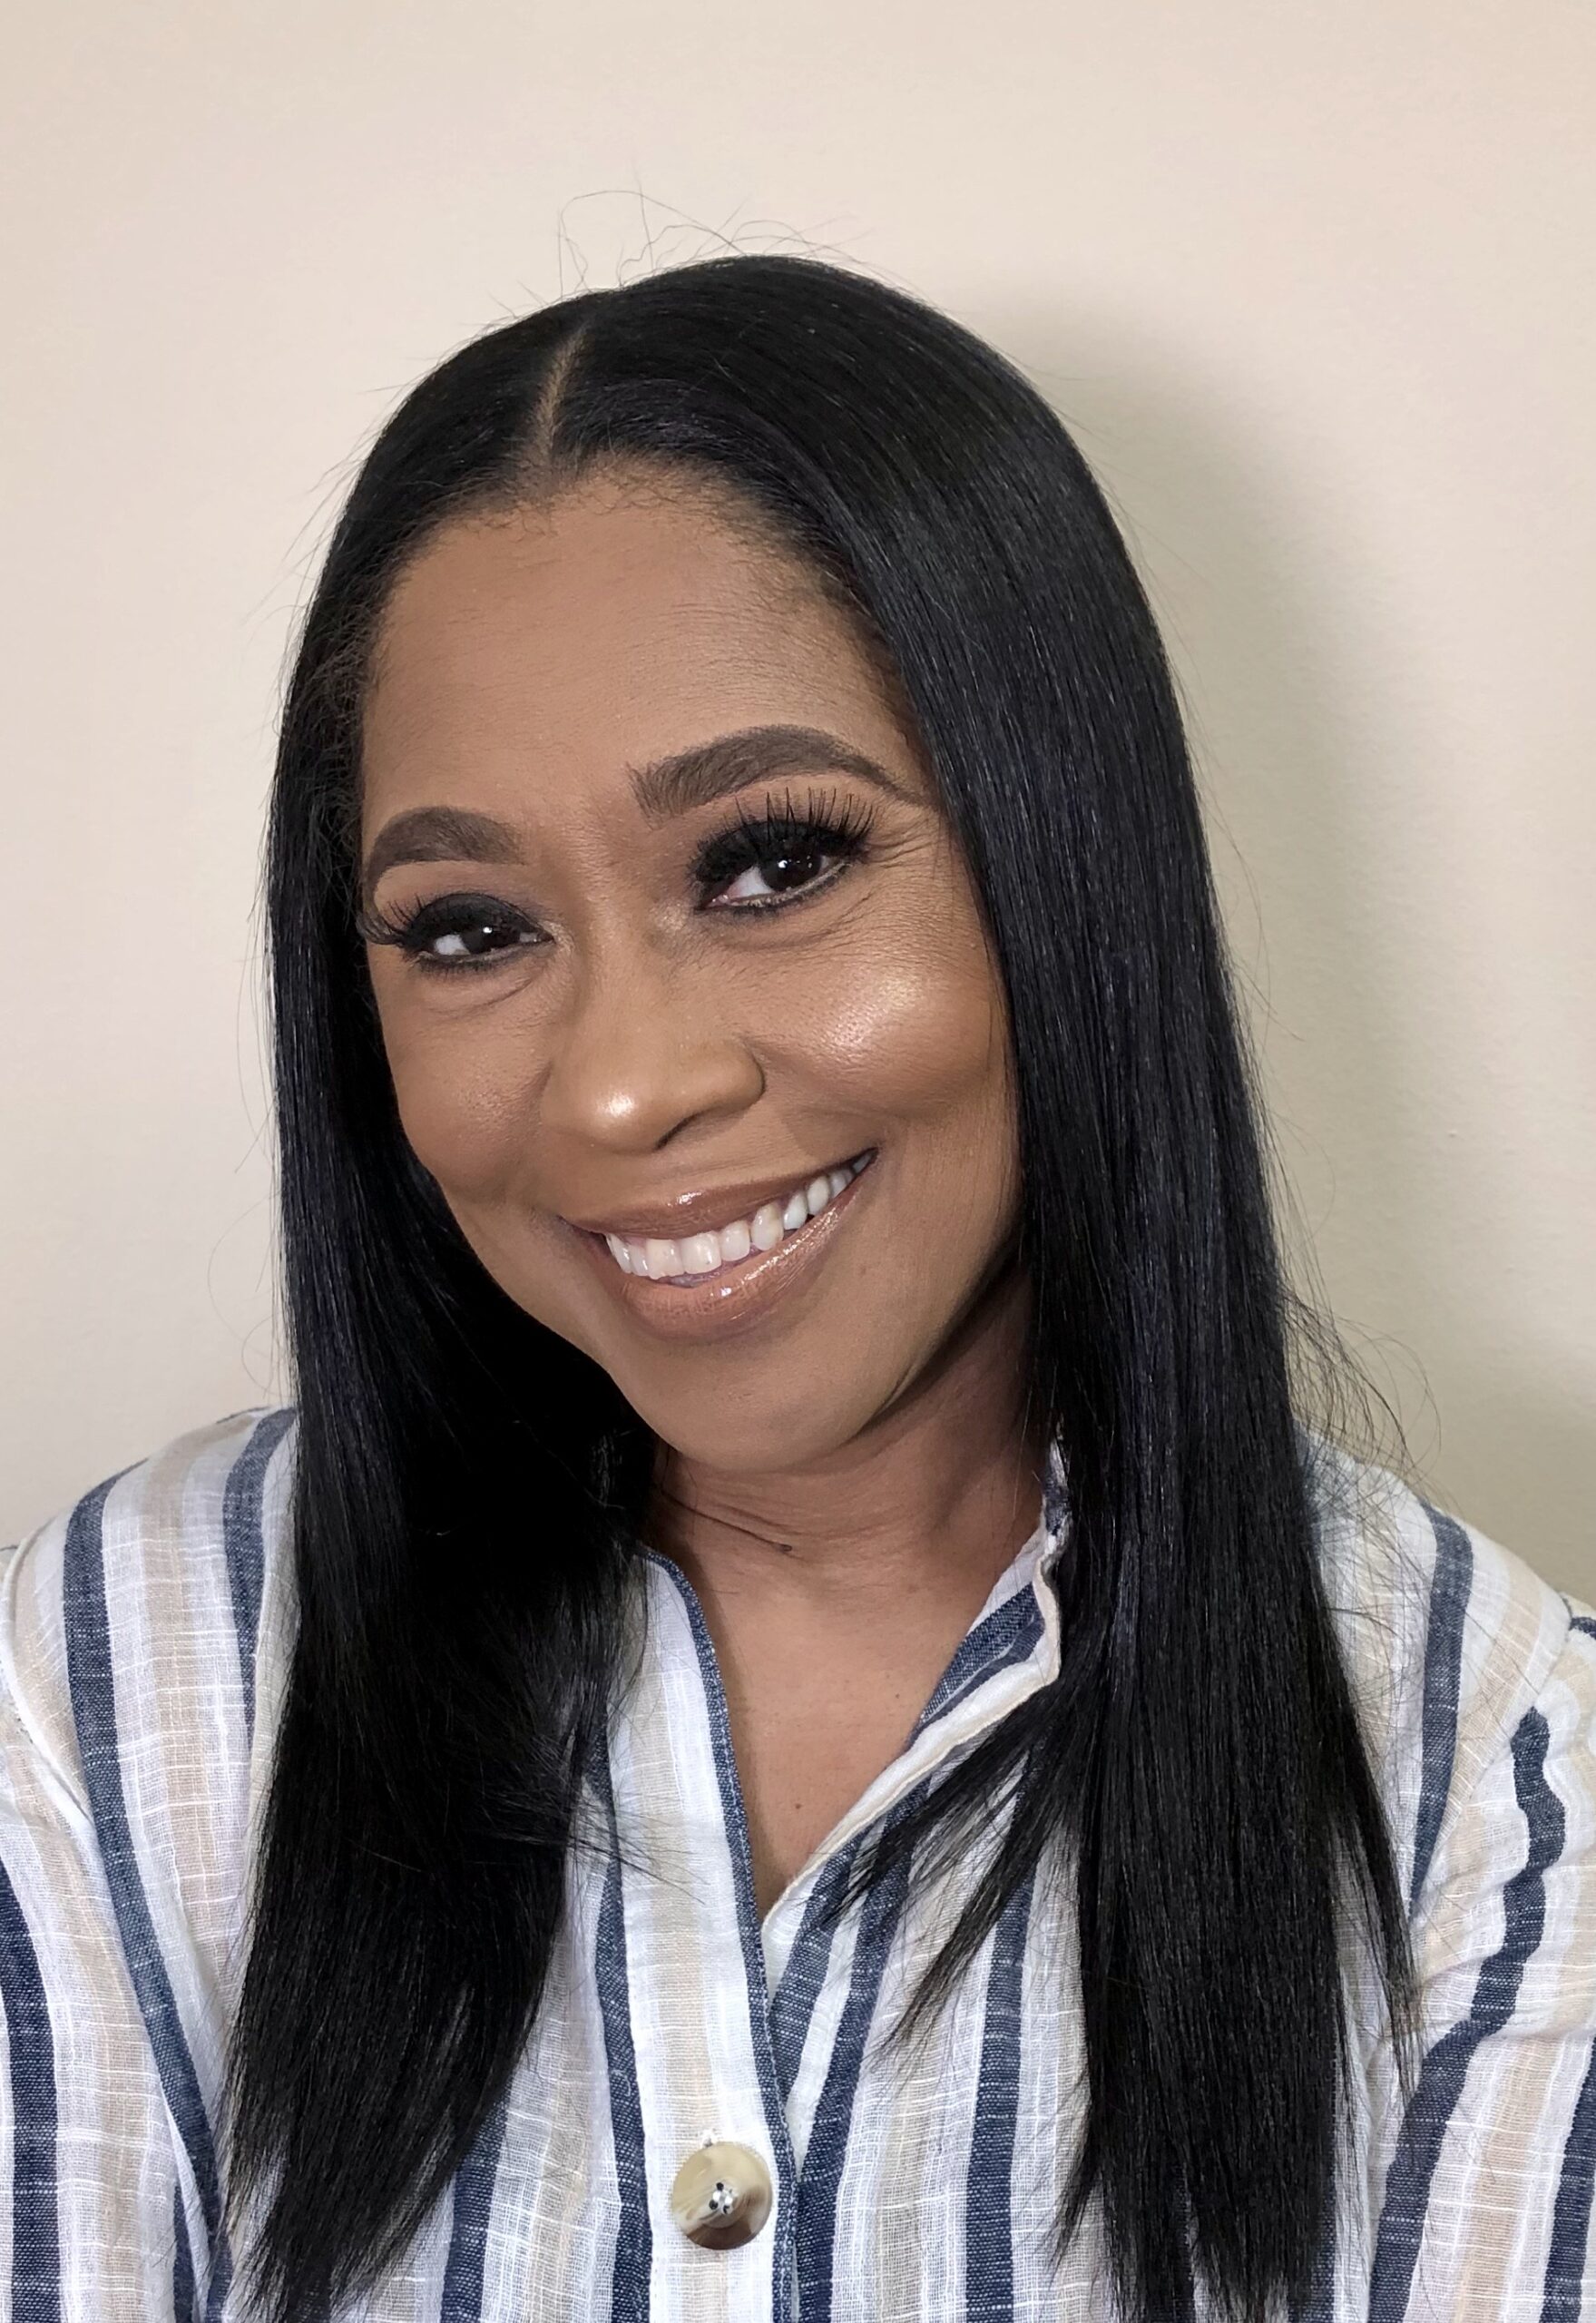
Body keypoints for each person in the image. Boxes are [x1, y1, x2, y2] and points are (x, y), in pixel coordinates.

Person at [1, 253, 1591, 2323]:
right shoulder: (108, 1698)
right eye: (469, 926)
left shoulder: (1499, 1794)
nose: (626, 1079)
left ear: (1060, 857)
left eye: (771, 861)